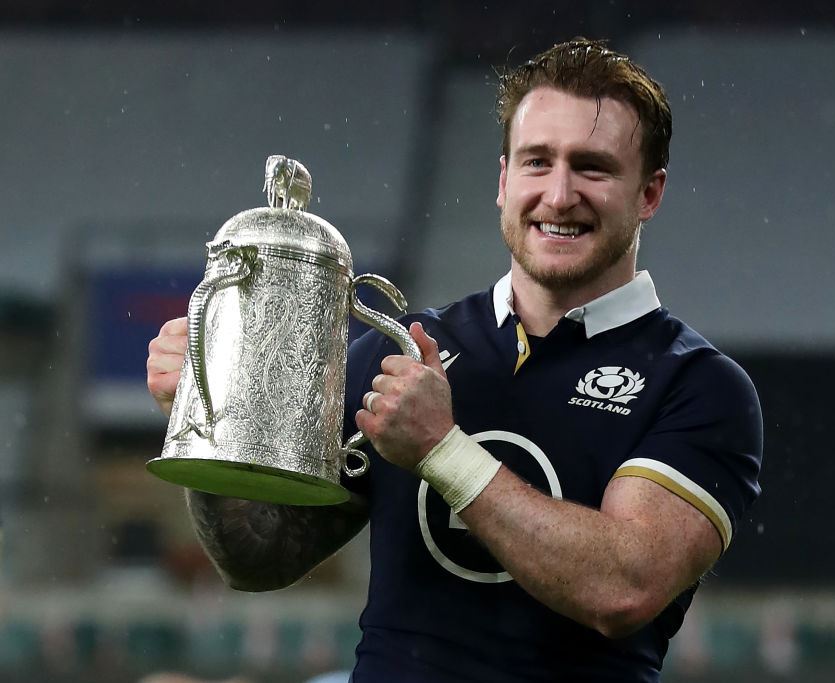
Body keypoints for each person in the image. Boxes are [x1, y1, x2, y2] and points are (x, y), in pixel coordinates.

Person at [146, 38, 763, 682]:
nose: (557, 195)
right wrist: (200, 418)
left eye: (592, 167)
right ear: (502, 182)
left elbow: (621, 590)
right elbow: (259, 560)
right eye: (536, 162)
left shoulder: (700, 387)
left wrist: (442, 450)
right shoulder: (406, 348)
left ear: (649, 194)